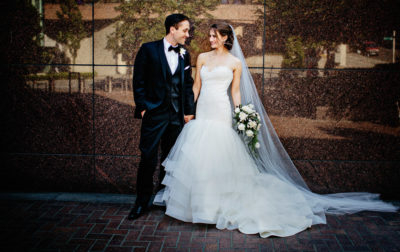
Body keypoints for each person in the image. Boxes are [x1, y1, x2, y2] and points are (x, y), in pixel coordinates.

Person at [153, 22, 397, 237]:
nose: (211, 39)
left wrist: (241, 115)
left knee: (218, 155)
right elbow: (196, 86)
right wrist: (189, 110)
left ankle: (216, 208)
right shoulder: (203, 57)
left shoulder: (235, 62)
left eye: (215, 36)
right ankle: (198, 208)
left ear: (227, 38)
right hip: (203, 110)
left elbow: (235, 92)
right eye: (210, 35)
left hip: (220, 111)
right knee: (199, 157)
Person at [129, 14, 196, 220]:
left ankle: (165, 199)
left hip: (176, 117)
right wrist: (143, 108)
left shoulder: (185, 54)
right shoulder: (148, 49)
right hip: (154, 115)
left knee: (171, 160)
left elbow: (186, 84)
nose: (188, 34)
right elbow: (138, 81)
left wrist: (189, 111)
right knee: (148, 158)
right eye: (185, 30)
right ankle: (141, 202)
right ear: (172, 29)